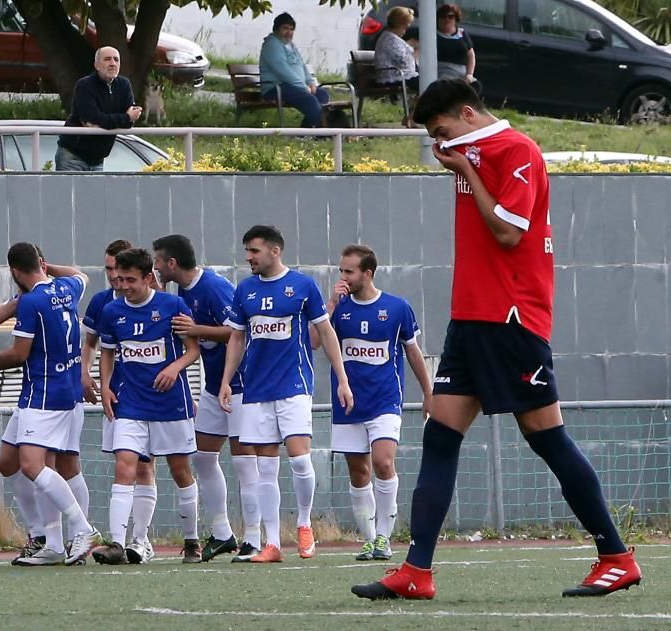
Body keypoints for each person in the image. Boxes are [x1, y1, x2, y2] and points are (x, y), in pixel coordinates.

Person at [352, 80, 642, 600]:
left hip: (510, 318)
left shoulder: (516, 150)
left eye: (444, 132)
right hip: (471, 317)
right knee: (441, 436)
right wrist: (463, 162)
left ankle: (616, 556)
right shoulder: (476, 151)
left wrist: (466, 170)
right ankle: (417, 570)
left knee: (546, 437)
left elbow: (510, 231)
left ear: (468, 114)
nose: (442, 145)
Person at [219, 225, 353, 563]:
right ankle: (273, 544)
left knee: (299, 458)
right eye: (246, 250)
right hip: (256, 389)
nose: (248, 257)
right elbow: (236, 338)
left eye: (254, 250)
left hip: (294, 385)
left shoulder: (302, 285)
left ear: (274, 251)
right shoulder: (244, 290)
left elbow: (325, 331)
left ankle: (305, 523)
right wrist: (226, 381)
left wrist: (342, 379)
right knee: (265, 468)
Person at [0, 243, 103, 566]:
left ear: (14, 272)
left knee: (35, 465)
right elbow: (81, 276)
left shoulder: (31, 302)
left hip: (45, 394)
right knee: (8, 461)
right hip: (58, 392)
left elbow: (20, 353)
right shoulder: (66, 287)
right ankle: (49, 540)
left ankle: (81, 529)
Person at [310, 244, 431, 562]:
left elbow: (413, 352)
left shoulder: (396, 308)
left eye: (349, 271)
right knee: (358, 471)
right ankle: (368, 539)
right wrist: (333, 302)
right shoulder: (339, 308)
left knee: (383, 462)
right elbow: (312, 340)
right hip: (348, 403)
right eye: (341, 271)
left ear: (368, 273)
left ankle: (384, 538)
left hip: (385, 401)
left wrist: (429, 393)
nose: (343, 277)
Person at [152, 234, 262, 563]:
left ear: (172, 263)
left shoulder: (213, 286)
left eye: (158, 260)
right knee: (201, 456)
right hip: (215, 386)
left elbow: (238, 331)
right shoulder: (181, 292)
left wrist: (197, 328)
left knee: (245, 462)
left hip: (242, 385)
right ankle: (223, 533)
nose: (155, 266)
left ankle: (254, 538)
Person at [92, 248, 202, 565]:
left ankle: (191, 540)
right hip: (131, 403)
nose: (123, 285)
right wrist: (106, 388)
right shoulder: (112, 312)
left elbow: (193, 350)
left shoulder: (172, 306)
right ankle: (120, 542)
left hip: (171, 405)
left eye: (130, 279)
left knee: (180, 470)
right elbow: (108, 353)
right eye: (119, 278)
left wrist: (174, 368)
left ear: (148, 278)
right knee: (125, 466)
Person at [81, 239, 160, 564]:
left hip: (153, 401)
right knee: (123, 465)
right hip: (121, 399)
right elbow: (92, 344)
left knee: (146, 466)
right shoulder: (102, 304)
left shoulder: (156, 301)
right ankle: (117, 541)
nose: (114, 276)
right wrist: (87, 375)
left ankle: (140, 541)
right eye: (109, 269)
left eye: (119, 270)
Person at [55, 46, 142, 171]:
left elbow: (128, 123)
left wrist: (109, 122)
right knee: (70, 191)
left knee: (96, 191)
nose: (112, 63)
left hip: (98, 159)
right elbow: (92, 118)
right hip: (73, 156)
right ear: (96, 65)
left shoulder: (124, 85)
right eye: (107, 59)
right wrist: (126, 117)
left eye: (116, 60)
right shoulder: (84, 86)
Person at [258, 12, 330, 129]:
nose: (289, 32)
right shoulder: (272, 44)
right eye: (285, 28)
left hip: (294, 87)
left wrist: (311, 82)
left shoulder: (290, 45)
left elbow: (302, 65)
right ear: (276, 29)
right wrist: (303, 86)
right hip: (276, 88)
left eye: (291, 29)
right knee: (310, 101)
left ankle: (309, 131)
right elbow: (283, 71)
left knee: (322, 95)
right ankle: (309, 134)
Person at [435, 4, 480, 93]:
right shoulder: (432, 33)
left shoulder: (462, 33)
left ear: (456, 19)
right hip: (442, 71)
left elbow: (470, 55)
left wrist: (469, 74)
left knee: (475, 86)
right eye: (443, 17)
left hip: (461, 72)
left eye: (450, 17)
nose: (447, 19)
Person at [374, 7, 419, 91]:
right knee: (426, 81)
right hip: (392, 78)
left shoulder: (392, 38)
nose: (405, 31)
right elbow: (404, 62)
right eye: (405, 27)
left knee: (429, 79)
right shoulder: (389, 39)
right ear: (399, 24)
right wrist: (417, 52)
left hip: (399, 76)